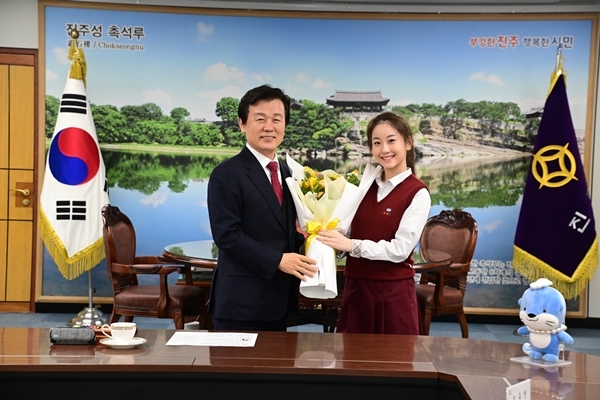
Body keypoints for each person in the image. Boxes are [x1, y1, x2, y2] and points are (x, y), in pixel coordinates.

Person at [207, 84, 317, 331]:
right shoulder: (226, 174)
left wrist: (312, 239)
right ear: (242, 124)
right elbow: (227, 235)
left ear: (285, 125)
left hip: (279, 301)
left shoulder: (289, 173)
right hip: (240, 304)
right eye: (260, 119)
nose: (269, 127)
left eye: (277, 119)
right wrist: (278, 260)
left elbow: (283, 230)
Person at [317, 111, 431, 335]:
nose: (384, 149)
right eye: (377, 143)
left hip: (392, 293)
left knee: (393, 357)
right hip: (356, 288)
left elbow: (400, 250)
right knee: (350, 355)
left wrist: (351, 245)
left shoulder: (417, 193)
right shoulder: (363, 186)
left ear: (408, 143)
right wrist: (329, 239)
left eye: (391, 141)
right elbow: (350, 232)